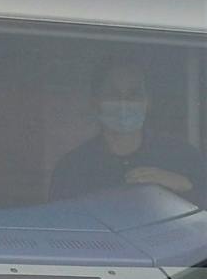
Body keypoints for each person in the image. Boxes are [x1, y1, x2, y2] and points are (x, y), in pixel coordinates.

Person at [51, 62, 206, 203]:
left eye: (134, 94)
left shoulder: (183, 156)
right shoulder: (73, 168)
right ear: (95, 101)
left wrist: (183, 186)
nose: (123, 102)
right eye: (113, 94)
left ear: (148, 102)